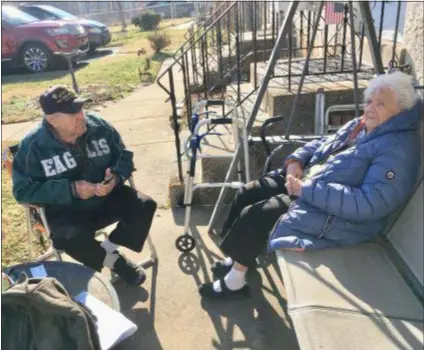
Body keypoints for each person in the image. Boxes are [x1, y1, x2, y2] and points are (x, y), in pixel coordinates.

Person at [199, 71, 423, 299]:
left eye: (380, 104)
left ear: (401, 110)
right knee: (246, 192)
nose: (369, 109)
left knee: (256, 214)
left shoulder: (398, 149)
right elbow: (322, 144)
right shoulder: (361, 125)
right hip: (310, 182)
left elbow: (370, 204)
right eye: (368, 101)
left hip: (336, 214)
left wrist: (306, 190)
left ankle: (235, 282)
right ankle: (239, 256)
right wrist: (296, 161)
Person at [12, 85, 157, 285]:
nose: (81, 116)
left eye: (80, 108)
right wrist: (71, 189)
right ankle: (116, 262)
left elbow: (124, 157)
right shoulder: (33, 147)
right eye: (72, 113)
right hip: (65, 209)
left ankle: (108, 247)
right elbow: (22, 192)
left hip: (105, 198)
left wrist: (115, 177)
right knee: (68, 237)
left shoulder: (100, 127)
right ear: (52, 119)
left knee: (144, 205)